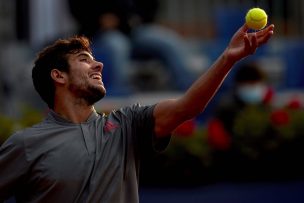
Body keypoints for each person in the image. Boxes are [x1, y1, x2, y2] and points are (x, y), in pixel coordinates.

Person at [0, 23, 274, 202]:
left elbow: (188, 106)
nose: (99, 65)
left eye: (95, 59)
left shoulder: (127, 124)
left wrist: (228, 59)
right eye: (84, 60)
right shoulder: (25, 145)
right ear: (58, 76)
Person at [68, 0, 203, 92]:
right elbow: (77, 8)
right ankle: (117, 97)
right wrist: (99, 20)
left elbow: (150, 6)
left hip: (134, 31)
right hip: (99, 33)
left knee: (168, 41)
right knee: (117, 46)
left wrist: (137, 18)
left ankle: (190, 89)